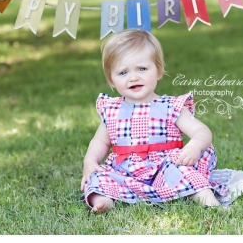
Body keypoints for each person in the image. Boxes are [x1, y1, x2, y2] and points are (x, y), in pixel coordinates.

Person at [81, 29, 226, 213]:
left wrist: (194, 146)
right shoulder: (111, 110)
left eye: (142, 69)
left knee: (188, 175)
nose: (133, 77)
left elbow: (202, 131)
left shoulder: (171, 107)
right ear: (111, 79)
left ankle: (210, 203)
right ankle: (104, 202)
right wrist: (90, 160)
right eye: (123, 72)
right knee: (97, 179)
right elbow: (101, 141)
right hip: (124, 172)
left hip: (165, 169)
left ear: (159, 70)